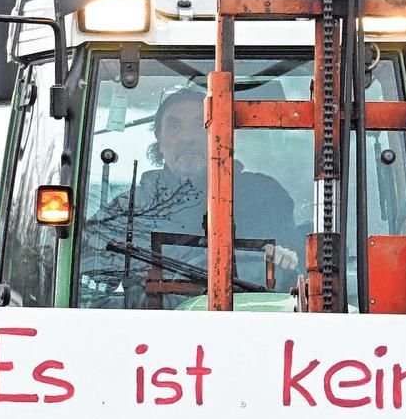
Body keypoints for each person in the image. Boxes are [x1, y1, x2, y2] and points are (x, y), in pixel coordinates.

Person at [90, 88, 304, 301]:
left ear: (222, 134)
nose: (187, 138)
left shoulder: (264, 199)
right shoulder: (129, 210)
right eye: (174, 127)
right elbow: (88, 284)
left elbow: (296, 277)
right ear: (159, 139)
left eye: (201, 125)